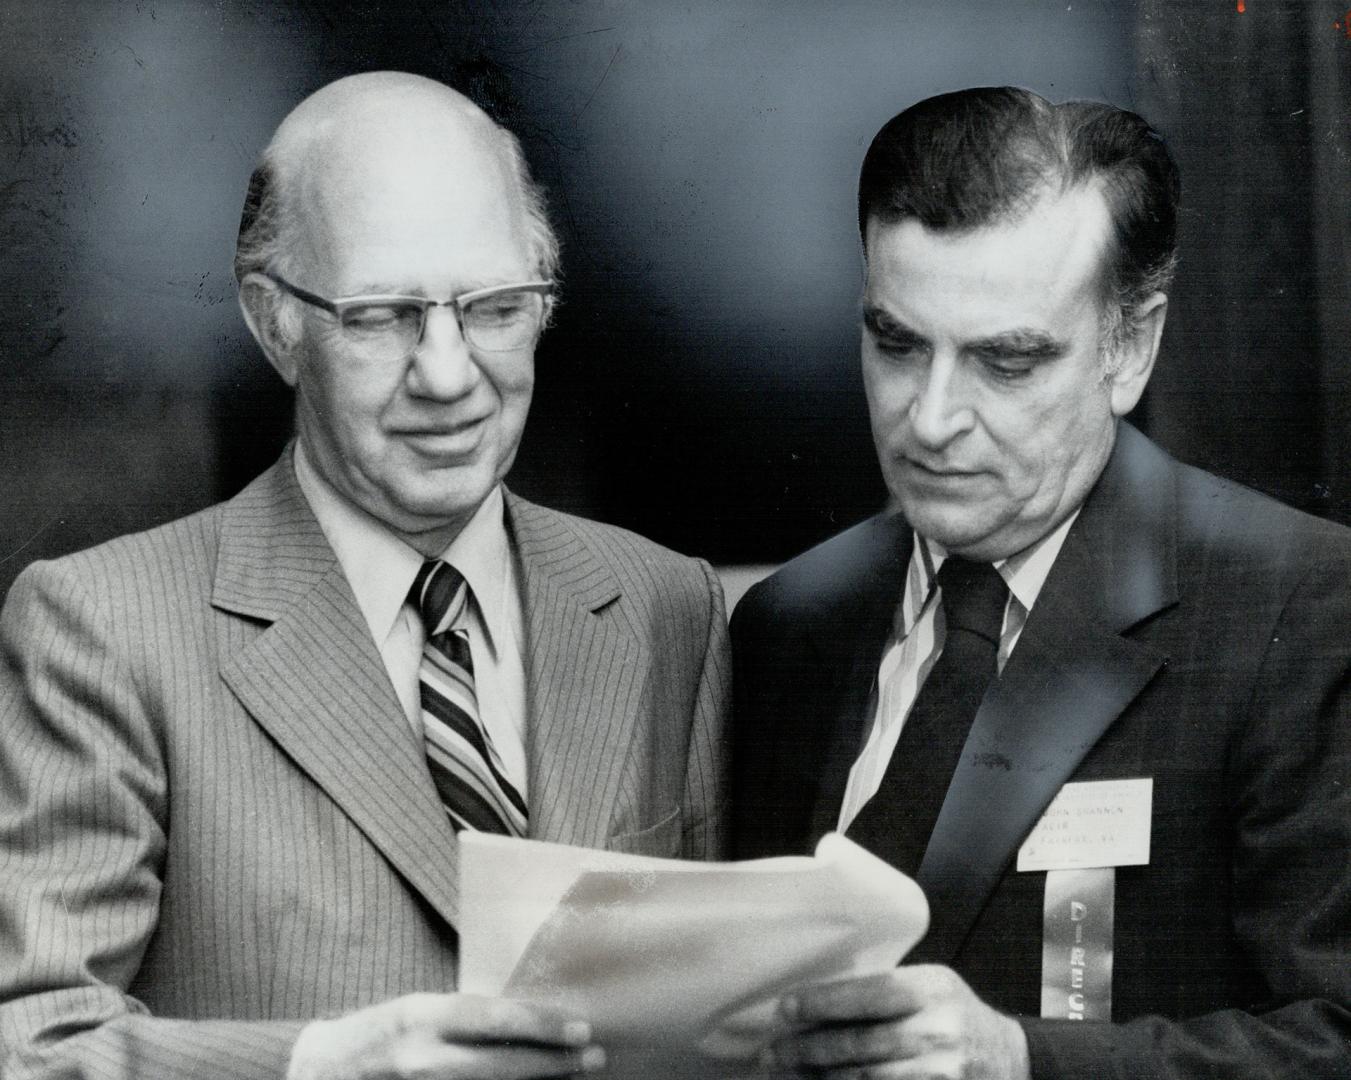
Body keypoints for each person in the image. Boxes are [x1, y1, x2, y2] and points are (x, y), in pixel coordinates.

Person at [0, 72, 728, 1080]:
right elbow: (31, 1045)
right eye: (383, 316)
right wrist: (331, 1062)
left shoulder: (665, 604)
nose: (446, 372)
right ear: (274, 322)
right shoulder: (103, 630)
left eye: (494, 308)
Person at [729, 87, 1351, 1080]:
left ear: (1129, 346)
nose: (930, 420)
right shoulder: (787, 627)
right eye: (894, 343)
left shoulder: (1301, 606)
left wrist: (1020, 1060)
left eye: (1004, 362)